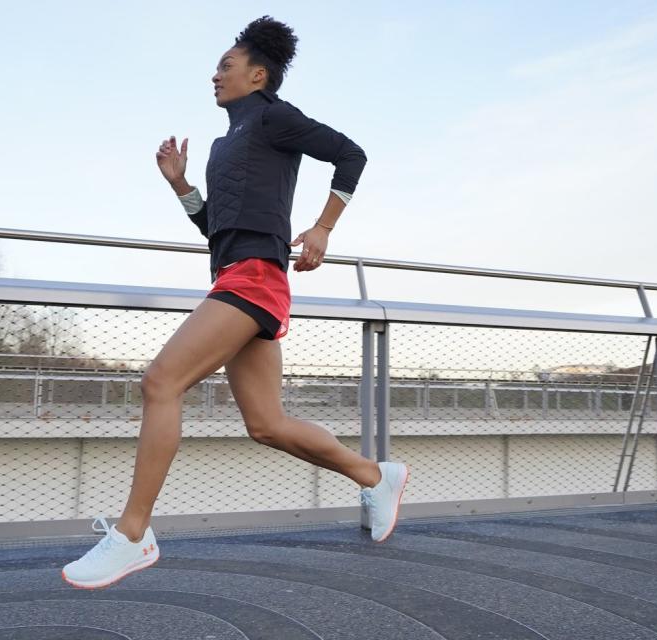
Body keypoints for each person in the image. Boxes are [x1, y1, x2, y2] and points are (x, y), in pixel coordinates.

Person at [62, 15, 408, 590]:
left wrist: (322, 229)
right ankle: (375, 476)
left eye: (226, 66)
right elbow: (217, 228)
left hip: (254, 279)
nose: (215, 75)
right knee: (267, 424)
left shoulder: (275, 116)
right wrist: (181, 186)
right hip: (233, 272)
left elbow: (351, 155)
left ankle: (132, 535)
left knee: (161, 382)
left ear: (258, 74)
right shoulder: (228, 143)